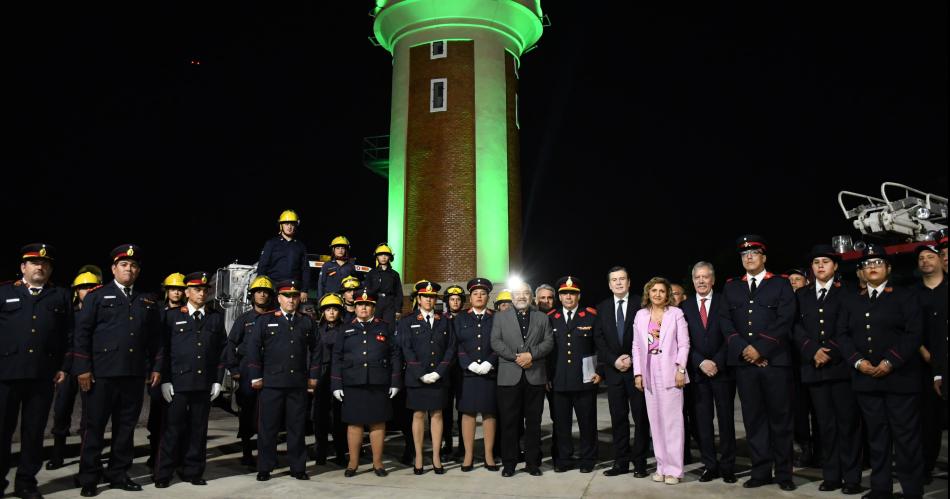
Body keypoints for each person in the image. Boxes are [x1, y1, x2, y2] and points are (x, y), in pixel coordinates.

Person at [73, 244, 163, 497]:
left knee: (126, 428)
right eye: (124, 264)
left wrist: (156, 367)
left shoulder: (146, 300)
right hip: (101, 375)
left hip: (133, 375)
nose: (129, 269)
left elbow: (156, 340)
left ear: (138, 270)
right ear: (114, 268)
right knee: (94, 428)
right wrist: (83, 368)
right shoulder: (97, 296)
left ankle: (118, 474)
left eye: (133, 265)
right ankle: (89, 476)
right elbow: (82, 334)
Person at [838, 244, 925, 499]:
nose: (872, 267)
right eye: (867, 264)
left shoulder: (905, 296)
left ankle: (912, 491)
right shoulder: (853, 299)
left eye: (877, 263)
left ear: (888, 268)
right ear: (861, 271)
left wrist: (890, 362)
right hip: (866, 380)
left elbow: (913, 333)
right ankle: (881, 488)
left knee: (906, 439)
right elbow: (842, 335)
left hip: (900, 379)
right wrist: (857, 362)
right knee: (876, 437)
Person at [719, 235, 796, 491]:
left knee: (780, 420)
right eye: (744, 255)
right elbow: (725, 323)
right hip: (745, 364)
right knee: (753, 420)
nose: (748, 257)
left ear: (763, 257)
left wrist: (760, 350)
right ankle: (761, 470)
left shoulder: (781, 285)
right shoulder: (731, 287)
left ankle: (784, 473)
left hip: (774, 363)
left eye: (753, 253)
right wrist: (745, 350)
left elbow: (785, 320)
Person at [0, 244, 72, 499]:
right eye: (33, 262)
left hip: (42, 375)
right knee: (2, 430)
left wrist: (63, 366)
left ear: (50, 269)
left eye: (45, 264)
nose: (39, 267)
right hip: (6, 374)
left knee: (33, 431)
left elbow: (68, 335)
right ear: (23, 267)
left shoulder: (60, 296)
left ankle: (26, 482)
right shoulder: (4, 292)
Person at [790, 245, 862, 494]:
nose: (820, 266)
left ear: (835, 266)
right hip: (814, 368)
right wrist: (812, 351)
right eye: (816, 262)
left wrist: (828, 351)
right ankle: (831, 475)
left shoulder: (848, 292)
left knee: (847, 424)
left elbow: (851, 326)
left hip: (840, 367)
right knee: (825, 426)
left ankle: (852, 477)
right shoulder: (802, 295)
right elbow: (795, 328)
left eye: (826, 262)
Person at [153, 272, 225, 488]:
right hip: (177, 383)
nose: (201, 293)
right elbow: (162, 351)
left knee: (198, 430)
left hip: (203, 384)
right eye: (196, 289)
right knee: (171, 430)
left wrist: (218, 380)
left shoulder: (215, 318)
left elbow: (222, 351)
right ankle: (163, 472)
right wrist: (165, 379)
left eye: (204, 290)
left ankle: (193, 471)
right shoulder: (171, 316)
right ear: (186, 292)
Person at [246, 280, 320, 482]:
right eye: (287, 296)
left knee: (297, 428)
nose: (291, 300)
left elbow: (317, 349)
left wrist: (313, 376)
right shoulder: (265, 320)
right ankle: (265, 467)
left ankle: (298, 467)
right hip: (271, 383)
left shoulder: (306, 321)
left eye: (295, 296)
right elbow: (253, 348)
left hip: (297, 383)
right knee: (268, 428)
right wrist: (256, 376)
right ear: (278, 298)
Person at [331, 289, 402, 477]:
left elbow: (395, 354)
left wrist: (395, 381)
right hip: (352, 383)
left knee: (377, 424)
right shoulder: (345, 329)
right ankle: (353, 463)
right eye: (360, 304)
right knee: (354, 424)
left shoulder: (384, 327)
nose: (364, 308)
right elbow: (336, 357)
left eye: (368, 305)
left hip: (378, 383)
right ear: (354, 307)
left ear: (373, 308)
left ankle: (377, 463)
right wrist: (336, 385)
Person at [680, 262, 736, 483]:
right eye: (697, 277)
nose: (701, 281)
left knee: (726, 420)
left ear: (713, 280)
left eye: (705, 277)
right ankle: (710, 465)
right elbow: (683, 341)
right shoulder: (684, 307)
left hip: (723, 372)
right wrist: (700, 361)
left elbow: (731, 334)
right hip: (698, 373)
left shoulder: (725, 302)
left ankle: (728, 466)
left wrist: (717, 362)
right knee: (702, 422)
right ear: (693, 280)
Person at [490, 281, 553, 477]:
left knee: (533, 423)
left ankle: (532, 463)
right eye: (518, 293)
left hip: (535, 376)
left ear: (531, 297)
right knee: (509, 422)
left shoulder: (541, 318)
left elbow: (549, 342)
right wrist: (516, 357)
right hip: (509, 377)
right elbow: (495, 342)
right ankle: (509, 463)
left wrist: (531, 355)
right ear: (512, 297)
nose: (522, 297)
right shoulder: (500, 317)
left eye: (526, 293)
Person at [632, 277, 690, 484]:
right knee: (655, 423)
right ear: (648, 293)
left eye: (662, 291)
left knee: (672, 423)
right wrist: (638, 373)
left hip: (671, 371)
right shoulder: (640, 315)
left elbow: (684, 344)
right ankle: (661, 466)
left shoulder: (676, 314)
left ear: (667, 295)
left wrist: (680, 369)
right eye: (653, 290)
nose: (657, 294)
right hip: (648, 371)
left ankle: (674, 470)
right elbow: (636, 347)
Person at [594, 266, 650, 478]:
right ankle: (621, 462)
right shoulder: (603, 307)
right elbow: (599, 339)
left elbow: (647, 335)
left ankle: (640, 462)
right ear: (609, 284)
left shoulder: (641, 304)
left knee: (641, 418)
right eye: (614, 280)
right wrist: (614, 360)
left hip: (637, 370)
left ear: (629, 282)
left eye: (622, 279)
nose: (618, 283)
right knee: (618, 418)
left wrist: (632, 359)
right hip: (614, 371)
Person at [46, 268, 101, 471]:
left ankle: (86, 457)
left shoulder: (102, 310)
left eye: (91, 287)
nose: (87, 291)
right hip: (69, 368)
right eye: (83, 288)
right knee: (61, 411)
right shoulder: (68, 311)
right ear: (75, 291)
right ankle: (58, 453)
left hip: (91, 368)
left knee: (90, 415)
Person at [398, 280, 455, 474]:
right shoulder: (407, 321)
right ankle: (419, 457)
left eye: (432, 297)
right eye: (425, 297)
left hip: (439, 377)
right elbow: (406, 349)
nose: (429, 300)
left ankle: (436, 457)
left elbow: (451, 348)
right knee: (419, 415)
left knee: (437, 415)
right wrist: (421, 374)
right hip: (417, 378)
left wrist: (439, 372)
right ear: (418, 299)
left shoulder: (445, 321)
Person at [547, 276, 602, 473]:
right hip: (559, 379)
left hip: (585, 379)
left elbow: (600, 347)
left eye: (572, 293)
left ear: (579, 295)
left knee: (587, 422)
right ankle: (564, 458)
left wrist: (600, 371)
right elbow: (547, 352)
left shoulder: (590, 316)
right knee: (561, 423)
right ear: (559, 297)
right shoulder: (551, 317)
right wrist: (547, 377)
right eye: (564, 294)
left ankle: (588, 458)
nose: (568, 297)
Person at [223, 275, 274, 466]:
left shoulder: (275, 317)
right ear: (251, 296)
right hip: (247, 372)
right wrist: (234, 368)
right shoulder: (244, 319)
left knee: (270, 414)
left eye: (265, 292)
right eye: (258, 292)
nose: (261, 295)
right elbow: (230, 343)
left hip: (270, 371)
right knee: (247, 413)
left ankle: (267, 454)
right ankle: (246, 451)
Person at [454, 277, 500, 472]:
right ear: (470, 298)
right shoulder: (460, 318)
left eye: (483, 293)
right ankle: (468, 455)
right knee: (468, 413)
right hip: (468, 374)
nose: (479, 296)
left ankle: (489, 455)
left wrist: (490, 361)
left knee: (489, 413)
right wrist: (469, 363)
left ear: (488, 297)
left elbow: (501, 342)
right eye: (475, 294)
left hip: (489, 373)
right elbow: (456, 344)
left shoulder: (496, 317)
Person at [146, 272, 187, 467]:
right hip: (158, 370)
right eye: (173, 289)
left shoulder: (188, 313)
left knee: (178, 419)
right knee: (156, 417)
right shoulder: (157, 312)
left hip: (180, 373)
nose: (177, 292)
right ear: (167, 291)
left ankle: (176, 456)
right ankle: (155, 454)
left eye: (180, 289)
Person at [913, 242, 945, 484]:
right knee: (927, 421)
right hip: (924, 366)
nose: (925, 260)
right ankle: (925, 468)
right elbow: (909, 328)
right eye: (921, 257)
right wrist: (923, 350)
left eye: (930, 256)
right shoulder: (913, 294)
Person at [312, 293, 348, 466]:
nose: (331, 312)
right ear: (323, 312)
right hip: (321, 374)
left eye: (334, 309)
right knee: (320, 417)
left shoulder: (347, 330)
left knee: (340, 418)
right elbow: (311, 355)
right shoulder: (317, 331)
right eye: (328, 309)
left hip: (341, 375)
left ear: (340, 311)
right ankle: (321, 453)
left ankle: (341, 452)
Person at [257, 210, 310, 302]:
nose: (289, 227)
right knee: (271, 315)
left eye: (292, 224)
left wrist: (304, 290)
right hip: (273, 288)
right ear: (281, 225)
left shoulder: (300, 246)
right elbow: (262, 267)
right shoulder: (271, 244)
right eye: (286, 224)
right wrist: (261, 288)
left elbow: (305, 270)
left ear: (296, 226)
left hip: (293, 289)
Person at [441, 284, 466, 461]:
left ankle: (464, 446)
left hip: (463, 369)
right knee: (445, 409)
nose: (455, 302)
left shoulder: (467, 318)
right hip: (446, 369)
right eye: (452, 299)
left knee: (463, 408)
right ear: (447, 302)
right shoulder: (441, 319)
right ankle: (447, 444)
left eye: (458, 299)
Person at [364, 243, 403, 329]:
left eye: (386, 255)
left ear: (389, 257)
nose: (384, 257)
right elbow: (366, 291)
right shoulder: (371, 273)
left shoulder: (395, 274)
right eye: (381, 255)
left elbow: (398, 292)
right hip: (375, 303)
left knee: (389, 328)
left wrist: (398, 309)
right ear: (377, 257)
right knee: (374, 327)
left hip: (390, 303)